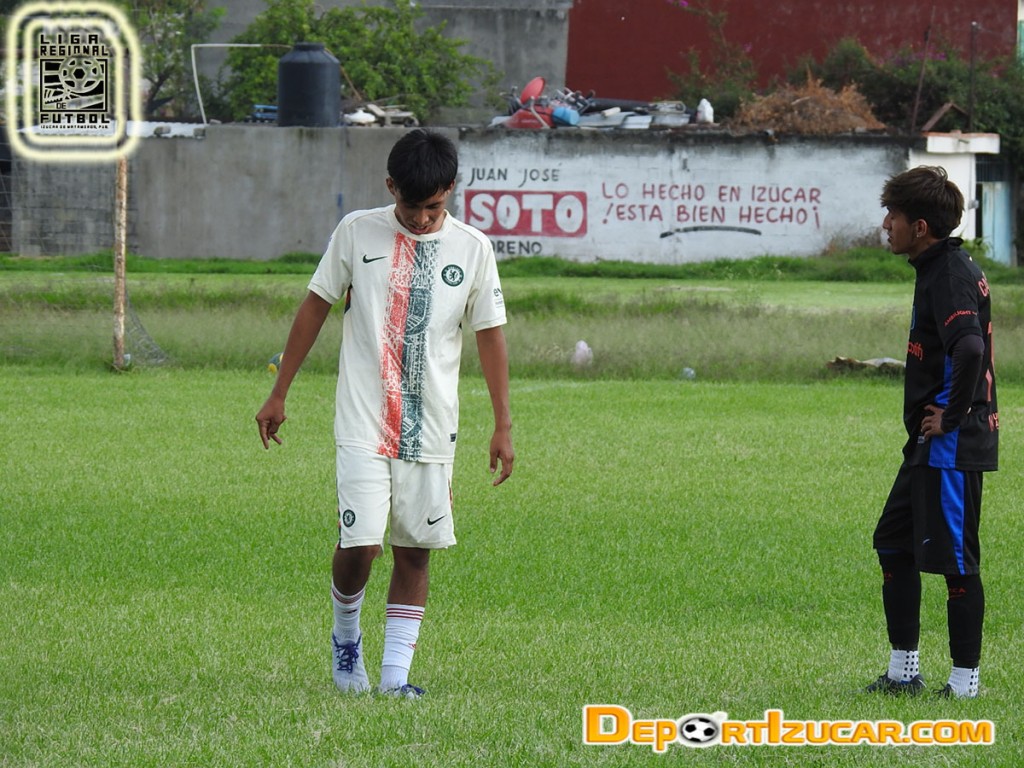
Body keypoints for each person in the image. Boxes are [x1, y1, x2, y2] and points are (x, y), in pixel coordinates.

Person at [256, 129, 514, 698]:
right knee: (362, 545)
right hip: (362, 421)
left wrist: (503, 424)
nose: (421, 219)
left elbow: (490, 335)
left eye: (433, 208)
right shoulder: (356, 232)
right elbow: (315, 307)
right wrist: (279, 392)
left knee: (415, 550)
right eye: (411, 205)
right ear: (390, 186)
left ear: (451, 190)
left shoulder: (473, 248)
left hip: (431, 425)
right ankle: (346, 639)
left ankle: (396, 677)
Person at [867, 165, 998, 699]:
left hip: (950, 444)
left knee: (957, 562)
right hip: (928, 445)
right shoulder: (937, 267)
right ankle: (904, 673)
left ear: (920, 227)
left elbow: (969, 347)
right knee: (893, 542)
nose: (886, 225)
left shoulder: (949, 275)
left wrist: (952, 415)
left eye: (893, 216)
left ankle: (964, 684)